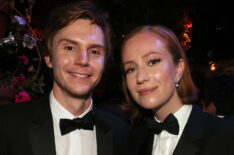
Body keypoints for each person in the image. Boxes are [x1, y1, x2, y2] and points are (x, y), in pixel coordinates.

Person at [0, 1, 129, 155]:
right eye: (69, 48)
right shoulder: (7, 124)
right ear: (48, 57)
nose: (83, 60)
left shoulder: (121, 132)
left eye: (94, 51)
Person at [120, 25, 234, 155]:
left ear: (178, 69)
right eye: (131, 69)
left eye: (153, 62)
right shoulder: (133, 141)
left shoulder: (226, 136)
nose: (140, 77)